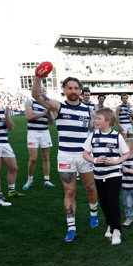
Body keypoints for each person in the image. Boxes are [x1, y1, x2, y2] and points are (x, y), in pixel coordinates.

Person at [31, 75, 99, 242]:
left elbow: (94, 131)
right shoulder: (57, 106)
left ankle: (93, 214)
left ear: (80, 90)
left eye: (76, 88)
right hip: (66, 156)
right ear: (64, 90)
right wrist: (38, 79)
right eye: (70, 88)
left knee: (90, 188)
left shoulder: (88, 110)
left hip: (85, 156)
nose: (73, 91)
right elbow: (36, 96)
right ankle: (71, 227)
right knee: (70, 191)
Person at [83, 108, 131, 245]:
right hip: (98, 175)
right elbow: (85, 154)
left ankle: (116, 231)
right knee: (104, 204)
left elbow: (126, 154)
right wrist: (95, 160)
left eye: (99, 118)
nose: (95, 121)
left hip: (114, 174)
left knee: (113, 203)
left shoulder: (117, 136)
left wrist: (116, 162)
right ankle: (110, 224)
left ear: (108, 121)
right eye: (95, 118)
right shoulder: (92, 136)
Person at [0, 92, 24, 199]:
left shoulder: (4, 111)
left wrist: (7, 116)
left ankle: (11, 190)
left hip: (5, 144)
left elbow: (11, 128)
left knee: (13, 167)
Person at [23, 88, 55, 190]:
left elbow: (51, 122)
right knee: (33, 158)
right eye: (41, 90)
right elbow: (29, 117)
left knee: (46, 157)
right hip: (33, 133)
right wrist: (43, 114)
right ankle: (29, 180)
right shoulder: (30, 101)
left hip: (45, 132)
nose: (43, 92)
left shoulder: (47, 104)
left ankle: (47, 180)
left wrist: (49, 112)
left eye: (45, 91)